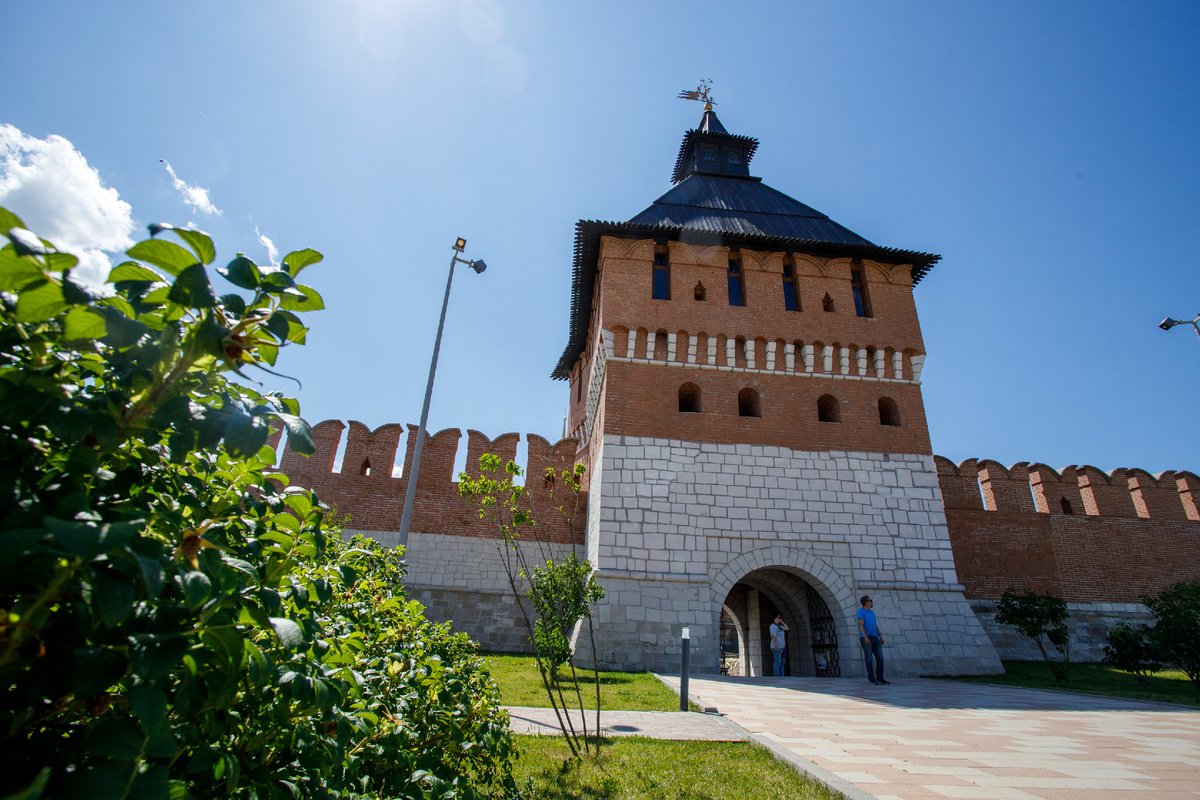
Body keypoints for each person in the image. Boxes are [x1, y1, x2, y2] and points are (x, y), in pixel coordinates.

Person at [856, 595, 890, 685]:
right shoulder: (860, 612)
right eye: (870, 600)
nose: (871, 602)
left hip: (875, 638)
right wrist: (865, 637)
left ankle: (880, 678)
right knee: (869, 659)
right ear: (866, 602)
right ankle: (871, 678)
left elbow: (875, 625)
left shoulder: (872, 613)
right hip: (866, 638)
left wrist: (880, 636)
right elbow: (861, 625)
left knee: (880, 658)